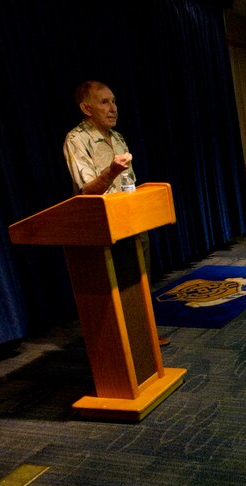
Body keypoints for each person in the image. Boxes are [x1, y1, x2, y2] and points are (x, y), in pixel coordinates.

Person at [63, 80, 168, 346]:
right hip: (104, 229)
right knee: (116, 288)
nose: (113, 108)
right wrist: (111, 171)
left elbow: (129, 182)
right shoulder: (76, 140)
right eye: (104, 102)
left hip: (131, 222)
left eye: (114, 101)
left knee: (139, 283)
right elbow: (86, 191)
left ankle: (144, 336)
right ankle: (121, 343)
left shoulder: (118, 138)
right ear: (86, 108)